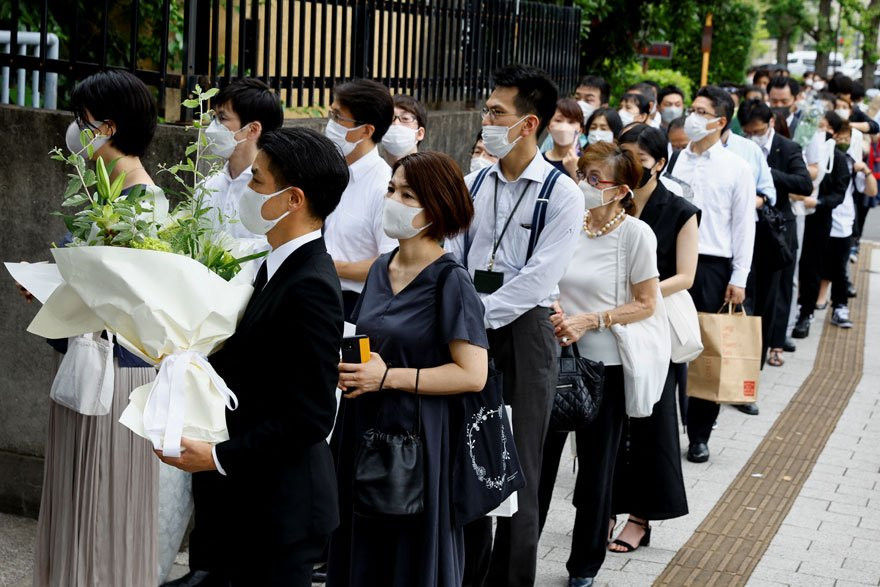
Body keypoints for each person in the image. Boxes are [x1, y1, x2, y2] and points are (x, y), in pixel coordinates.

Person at [157, 127, 350, 586]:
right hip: (246, 503)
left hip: (279, 510)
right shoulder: (273, 263)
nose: (246, 187)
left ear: (293, 199)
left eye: (258, 181)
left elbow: (310, 415)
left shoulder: (311, 286)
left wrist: (219, 456)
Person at [446, 64, 584, 587]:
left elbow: (538, 278)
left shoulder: (561, 193)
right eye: (486, 110)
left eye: (495, 112)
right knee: (468, 452)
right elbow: (453, 247)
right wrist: (460, 310)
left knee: (518, 464)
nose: (485, 121)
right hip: (468, 322)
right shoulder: (475, 179)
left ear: (528, 124)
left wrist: (474, 314)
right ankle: (465, 572)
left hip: (524, 331)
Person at [327, 151, 490, 587]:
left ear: (436, 207)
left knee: (409, 554)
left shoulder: (451, 280)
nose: (393, 201)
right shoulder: (381, 267)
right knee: (361, 549)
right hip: (363, 426)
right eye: (391, 190)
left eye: (408, 194)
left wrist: (389, 377)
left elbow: (473, 374)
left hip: (419, 438)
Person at [33, 70, 161, 587]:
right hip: (85, 368)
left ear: (106, 128)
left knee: (103, 502)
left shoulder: (143, 205)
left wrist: (63, 291)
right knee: (75, 499)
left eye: (80, 121)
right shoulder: (100, 195)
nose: (73, 131)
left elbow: (132, 308)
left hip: (116, 378)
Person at [537, 141, 660, 587]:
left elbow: (647, 304)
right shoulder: (567, 222)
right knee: (538, 466)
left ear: (621, 190)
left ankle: (583, 567)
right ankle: (517, 553)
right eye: (580, 175)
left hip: (602, 366)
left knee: (595, 472)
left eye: (594, 180)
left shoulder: (636, 235)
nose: (583, 186)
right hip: (554, 358)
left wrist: (592, 319)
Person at [610, 124, 697, 555]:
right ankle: (606, 504)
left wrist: (643, 292)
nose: (628, 165)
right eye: (622, 155)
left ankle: (641, 517)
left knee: (652, 421)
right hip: (609, 320)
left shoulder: (679, 210)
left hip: (653, 324)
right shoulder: (611, 199)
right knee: (609, 418)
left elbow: (686, 275)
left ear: (659, 163)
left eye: (638, 159)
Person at [666, 86, 756, 464]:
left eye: (702, 112)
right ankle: (662, 429)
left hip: (713, 267)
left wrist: (740, 277)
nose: (693, 117)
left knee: (706, 353)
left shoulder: (737, 167)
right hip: (671, 264)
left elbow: (743, 227)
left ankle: (699, 434)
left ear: (721, 122)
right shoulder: (674, 161)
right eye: (693, 109)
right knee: (666, 347)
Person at [738, 99, 813, 368]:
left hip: (777, 231)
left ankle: (769, 349)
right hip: (747, 230)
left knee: (775, 294)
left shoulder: (788, 147)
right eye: (748, 132)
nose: (752, 137)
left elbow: (804, 184)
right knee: (748, 294)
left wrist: (767, 173)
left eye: (757, 131)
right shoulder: (737, 146)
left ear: (770, 123)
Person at [322, 79, 397, 320]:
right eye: (331, 114)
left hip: (353, 306)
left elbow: (390, 263)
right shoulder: (329, 173)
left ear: (366, 130)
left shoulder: (384, 186)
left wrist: (331, 268)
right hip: (317, 295)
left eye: (338, 117)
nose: (330, 124)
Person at [792, 112, 851, 338]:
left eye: (823, 127)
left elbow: (838, 194)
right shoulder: (799, 150)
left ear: (833, 132)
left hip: (818, 219)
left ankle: (805, 314)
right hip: (795, 215)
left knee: (811, 266)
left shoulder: (836, 159)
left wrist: (817, 201)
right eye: (814, 126)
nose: (817, 131)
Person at [202, 77, 284, 241]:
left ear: (253, 130)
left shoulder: (274, 195)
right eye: (215, 118)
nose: (214, 126)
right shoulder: (207, 186)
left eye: (222, 118)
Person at [818, 122, 877, 328]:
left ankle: (839, 307)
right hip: (819, 217)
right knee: (817, 263)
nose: (842, 142)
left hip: (843, 221)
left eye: (846, 138)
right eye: (839, 137)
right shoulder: (824, 156)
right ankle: (812, 304)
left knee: (839, 266)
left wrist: (866, 171)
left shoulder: (855, 164)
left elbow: (871, 191)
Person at [381, 93, 427, 165]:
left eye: (405, 118)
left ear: (420, 133)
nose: (396, 123)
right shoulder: (371, 173)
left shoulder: (430, 174)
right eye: (390, 118)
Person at [544, 98, 585, 178]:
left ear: (580, 130)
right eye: (558, 120)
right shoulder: (538, 161)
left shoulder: (587, 163)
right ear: (549, 127)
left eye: (571, 122)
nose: (564, 127)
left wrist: (574, 171)